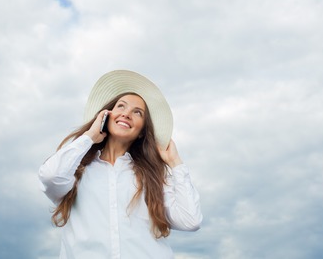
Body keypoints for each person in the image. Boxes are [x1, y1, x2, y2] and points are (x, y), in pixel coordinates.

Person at [38, 70, 202, 259]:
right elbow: (50, 177)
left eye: (137, 112)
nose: (126, 114)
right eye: (121, 106)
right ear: (105, 116)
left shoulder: (152, 178)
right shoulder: (75, 171)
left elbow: (190, 220)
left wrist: (175, 163)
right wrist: (90, 136)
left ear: (142, 131)